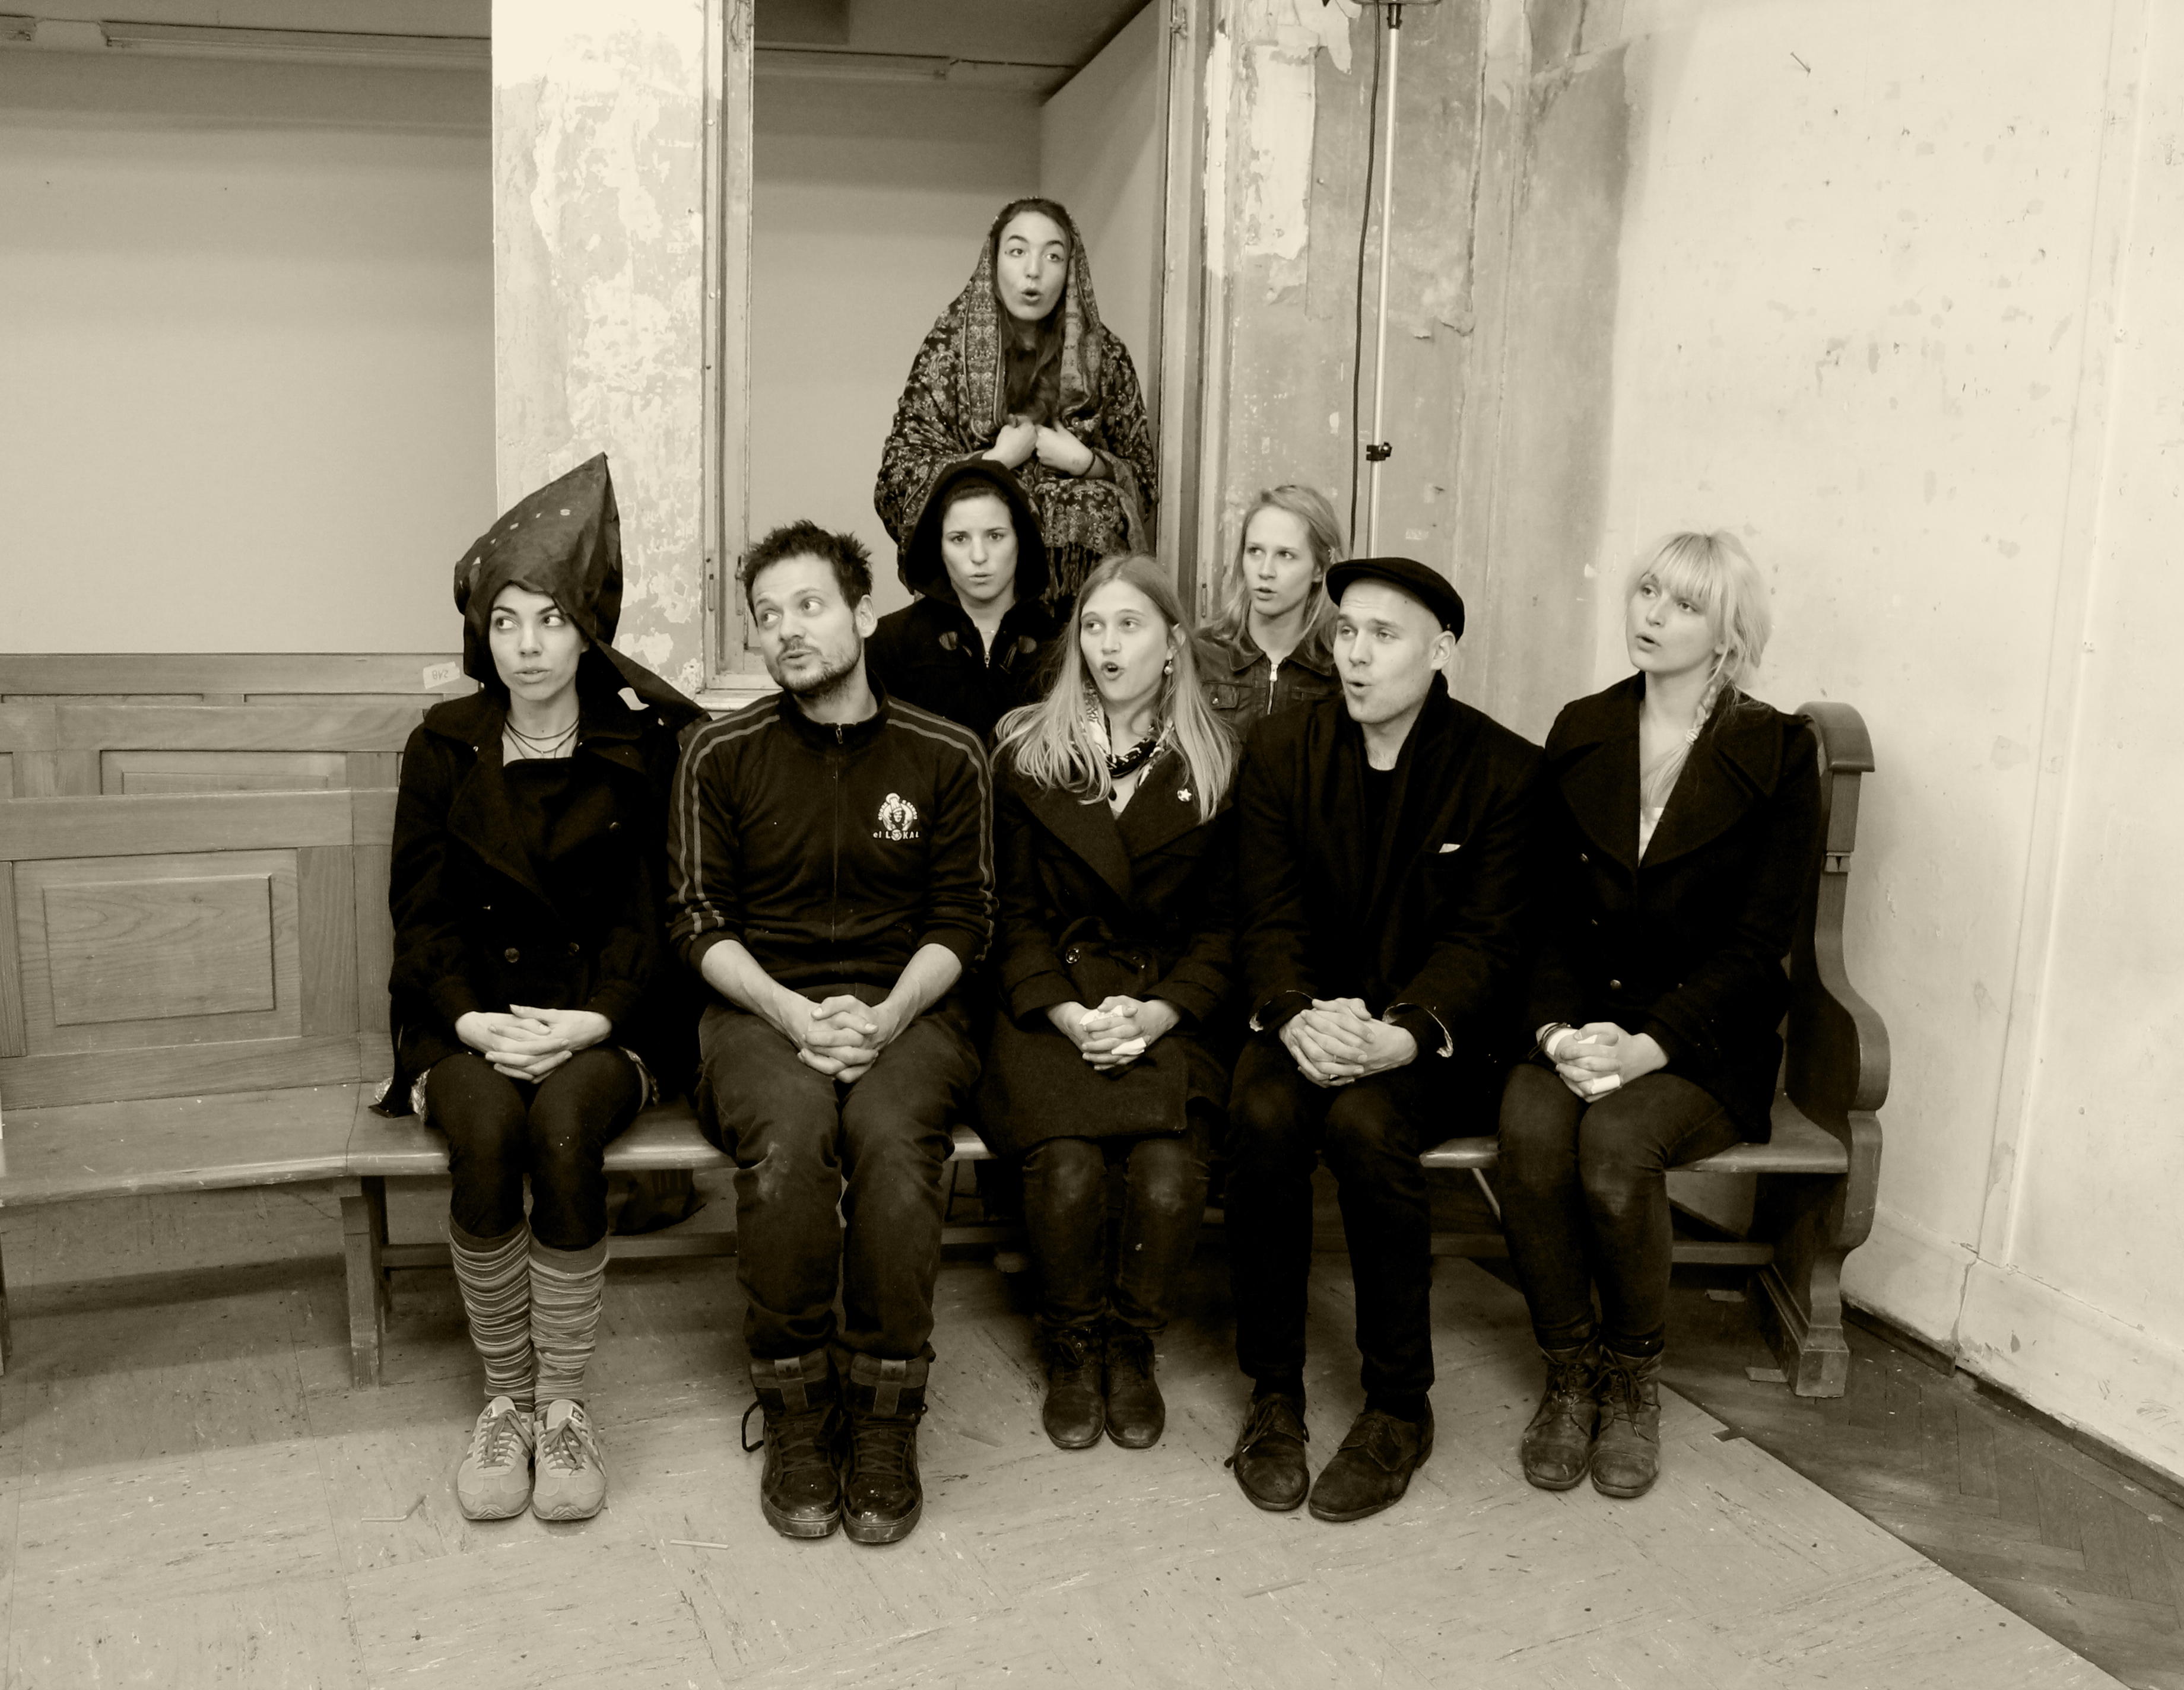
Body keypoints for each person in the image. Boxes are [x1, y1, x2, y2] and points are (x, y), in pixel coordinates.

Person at [380, 454, 704, 1524]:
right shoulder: (442, 747)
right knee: (485, 1128)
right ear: (485, 636)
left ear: (587, 631)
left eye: (551, 621)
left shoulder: (640, 748)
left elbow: (653, 913)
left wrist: (593, 1020)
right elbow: (421, 913)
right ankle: (504, 1401)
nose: (527, 644)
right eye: (507, 622)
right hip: (464, 1013)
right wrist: (471, 1020)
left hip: (604, 1016)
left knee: (563, 1128)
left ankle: (563, 1402)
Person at [667, 521, 993, 1546]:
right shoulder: (718, 753)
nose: (786, 630)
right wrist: (792, 1012)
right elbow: (697, 921)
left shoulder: (948, 753)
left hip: (911, 1006)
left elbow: (965, 919)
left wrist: (888, 1015)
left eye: (808, 606)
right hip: (761, 1007)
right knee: (791, 1138)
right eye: (767, 616)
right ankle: (800, 1408)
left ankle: (886, 1411)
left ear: (863, 613)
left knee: (894, 1143)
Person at [1498, 532, 1823, 1501]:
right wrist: (1556, 1030)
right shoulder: (1585, 726)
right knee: (1529, 1130)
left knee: (1616, 1145)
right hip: (1585, 1020)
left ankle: (1633, 1380)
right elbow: (1546, 915)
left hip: (1702, 1037)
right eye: (1646, 591)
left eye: (1683, 604)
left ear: (1727, 633)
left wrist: (1651, 1045)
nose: (1651, 614)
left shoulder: (1776, 751)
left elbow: (1757, 945)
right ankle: (1569, 1371)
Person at [1224, 557, 1542, 1524]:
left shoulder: (1502, 769)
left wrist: (1406, 1033)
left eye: (1383, 636)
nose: (1356, 656)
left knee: (1367, 1126)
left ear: (1440, 650)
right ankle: (1274, 1393)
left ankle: (1399, 1405)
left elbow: (1488, 940)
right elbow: (1264, 910)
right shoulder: (1282, 747)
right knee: (1263, 1111)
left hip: (1429, 1038)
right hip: (1309, 1019)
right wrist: (1295, 1012)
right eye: (1347, 633)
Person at [979, 553, 1237, 1452]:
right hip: (1054, 1003)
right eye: (1093, 626)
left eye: (1129, 625)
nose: (1107, 644)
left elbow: (1224, 930)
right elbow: (1010, 918)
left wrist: (1159, 1013)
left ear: (1173, 644)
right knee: (1068, 1168)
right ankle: (1072, 1341)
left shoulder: (1216, 762)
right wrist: (1067, 1013)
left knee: (1167, 1176)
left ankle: (1131, 1344)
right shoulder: (1028, 752)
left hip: (1166, 1003)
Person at [876, 197, 1157, 609]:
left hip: (1083, 615)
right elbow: (896, 480)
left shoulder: (1106, 357)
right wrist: (994, 462)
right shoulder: (947, 351)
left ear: (1071, 269)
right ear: (993, 262)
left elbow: (1145, 483)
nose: (1033, 270)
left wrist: (1087, 463)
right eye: (1017, 251)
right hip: (967, 608)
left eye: (1053, 256)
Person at [867, 458, 1062, 742]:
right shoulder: (888, 645)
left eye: (995, 536)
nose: (979, 556)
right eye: (959, 539)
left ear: (1021, 540)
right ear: (938, 547)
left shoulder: (1060, 646)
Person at [1196, 485, 1344, 737]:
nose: (1265, 571)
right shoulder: (1200, 655)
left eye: (1285, 555)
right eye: (1255, 551)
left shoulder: (1337, 671)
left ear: (1319, 569)